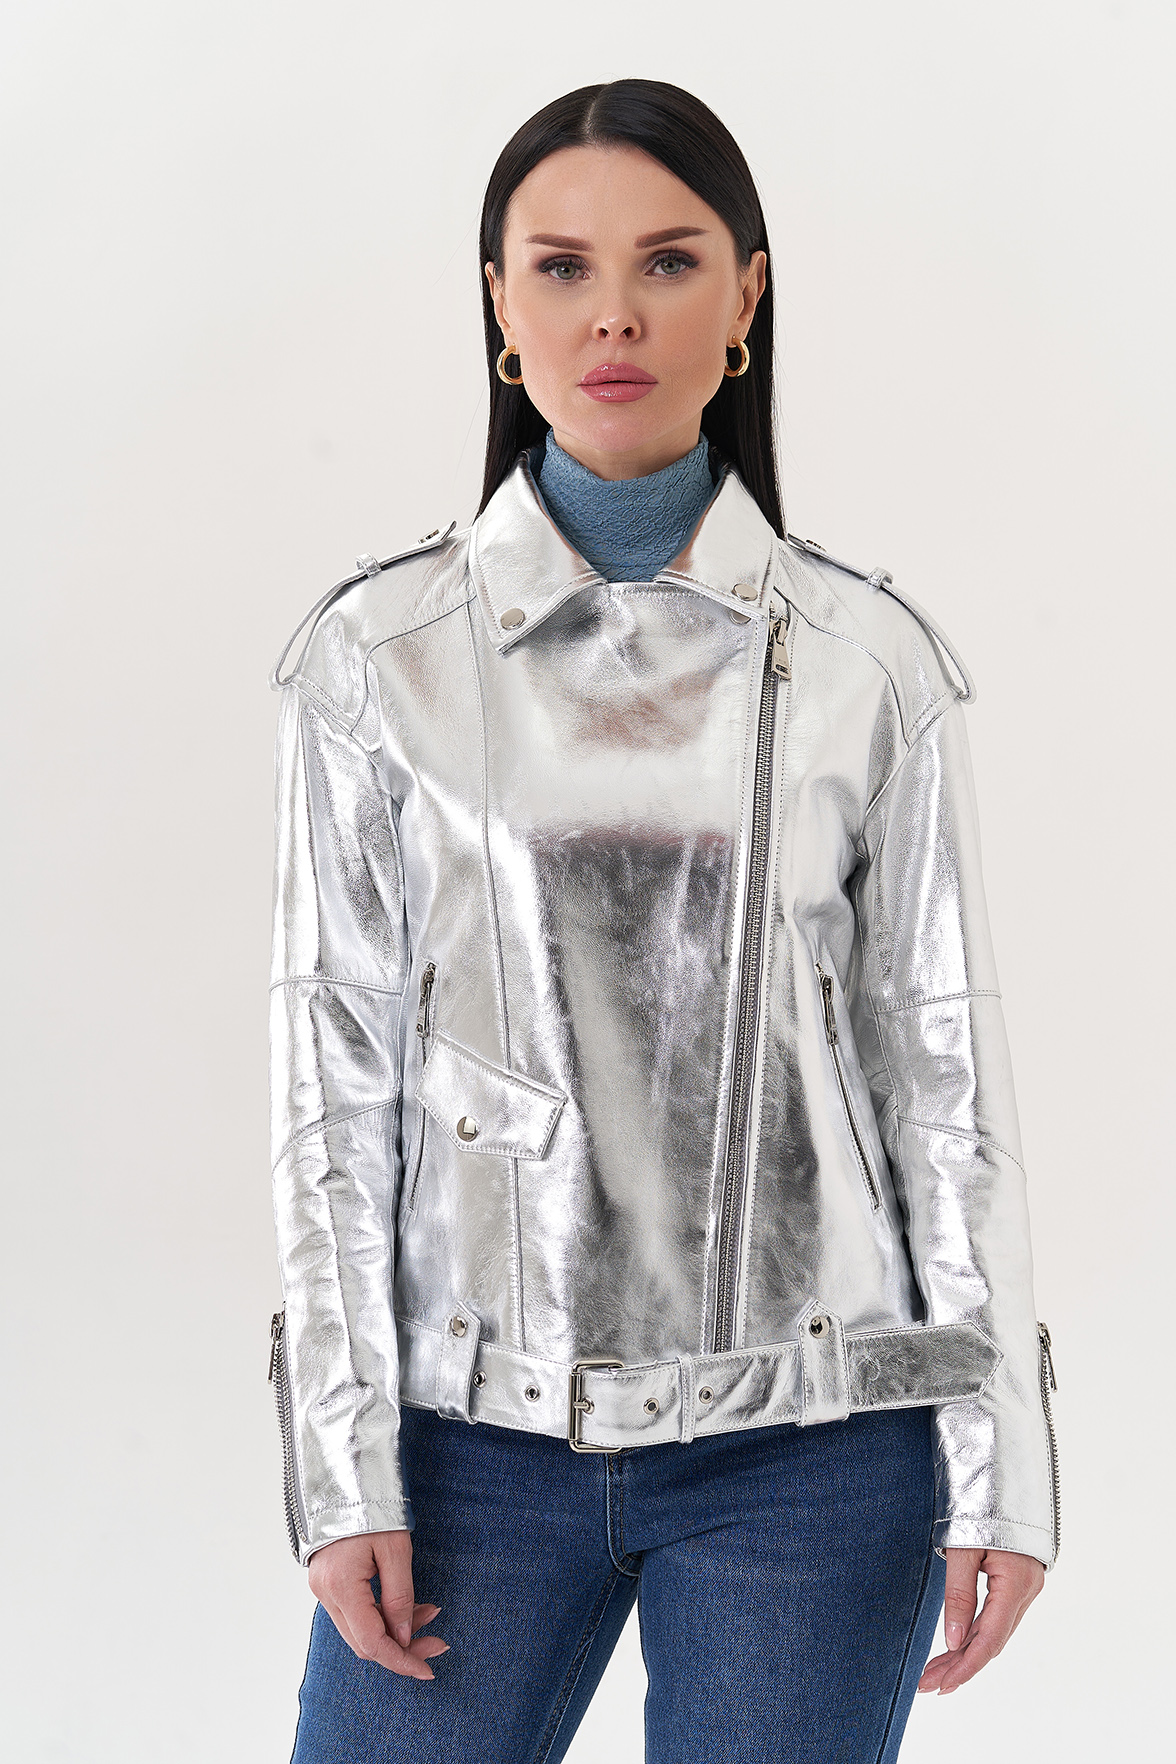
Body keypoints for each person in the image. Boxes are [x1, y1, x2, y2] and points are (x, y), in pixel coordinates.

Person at [267, 78, 1059, 1764]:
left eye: (670, 261)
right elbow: (331, 1087)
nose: (613, 313)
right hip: (465, 1443)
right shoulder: (375, 661)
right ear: (499, 305)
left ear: (746, 298)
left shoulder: (867, 662)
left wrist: (1005, 1461)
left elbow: (941, 1078)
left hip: (816, 1450)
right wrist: (340, 1465)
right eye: (560, 267)